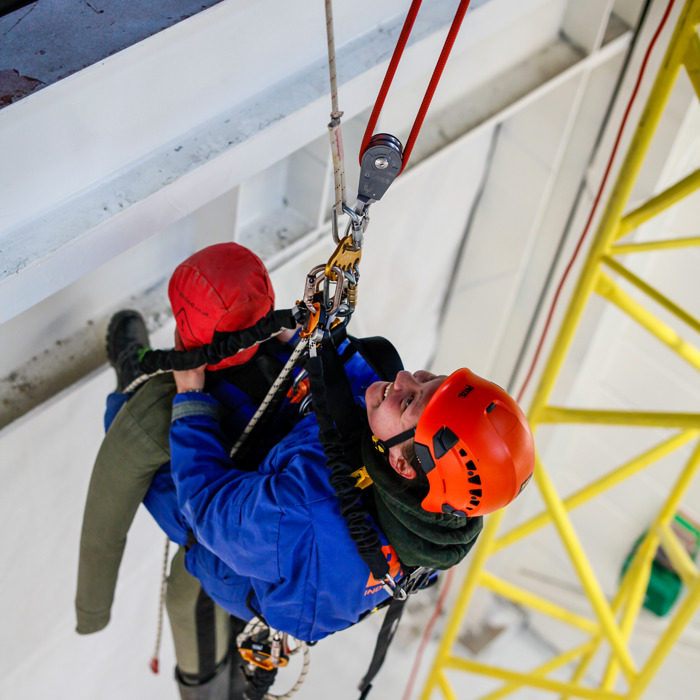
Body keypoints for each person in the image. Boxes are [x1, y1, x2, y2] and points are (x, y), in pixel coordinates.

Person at [75, 242, 534, 700]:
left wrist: (189, 394)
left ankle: (130, 378)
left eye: (411, 398)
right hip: (304, 554)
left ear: (400, 463)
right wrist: (303, 340)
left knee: (144, 437)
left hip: (243, 565)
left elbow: (207, 505)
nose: (404, 379)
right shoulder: (442, 508)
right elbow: (357, 385)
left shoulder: (305, 512)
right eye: (429, 379)